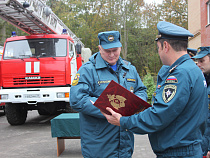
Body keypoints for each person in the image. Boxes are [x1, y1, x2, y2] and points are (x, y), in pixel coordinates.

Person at [102, 21, 208, 157]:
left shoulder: (179, 74)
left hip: (178, 152)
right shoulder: (191, 69)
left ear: (165, 46)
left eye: (158, 47)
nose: (158, 52)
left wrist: (123, 121)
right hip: (187, 147)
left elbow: (159, 115)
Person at [69, 31, 147, 158]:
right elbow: (77, 99)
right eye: (107, 51)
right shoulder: (88, 70)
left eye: (115, 50)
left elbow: (141, 90)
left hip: (125, 144)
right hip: (99, 144)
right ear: (100, 49)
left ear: (120, 47)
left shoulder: (129, 69)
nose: (112, 54)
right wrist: (110, 109)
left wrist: (135, 102)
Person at [191, 46, 210, 157]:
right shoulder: (203, 79)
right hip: (201, 143)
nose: (198, 64)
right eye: (198, 61)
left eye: (202, 61)